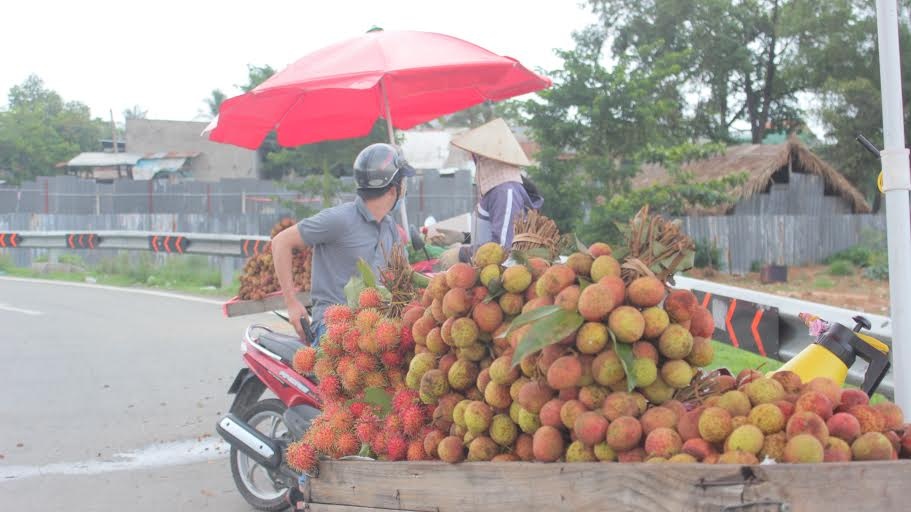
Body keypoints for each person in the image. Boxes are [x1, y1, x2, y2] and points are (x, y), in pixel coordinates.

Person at [271, 143, 415, 343]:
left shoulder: (391, 228)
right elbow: (281, 242)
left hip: (375, 327)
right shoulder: (339, 219)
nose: (405, 189)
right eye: (403, 183)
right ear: (392, 190)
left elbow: (404, 278)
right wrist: (291, 302)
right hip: (333, 327)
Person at [439, 118, 543, 267]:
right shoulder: (497, 190)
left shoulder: (505, 192)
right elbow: (494, 231)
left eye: (475, 155)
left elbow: (502, 248)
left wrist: (462, 254)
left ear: (485, 158)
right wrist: (463, 237)